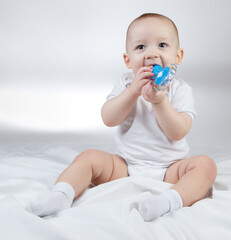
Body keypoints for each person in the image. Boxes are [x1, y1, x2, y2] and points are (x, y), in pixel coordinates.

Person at [26, 13, 217, 221]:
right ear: (127, 60)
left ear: (178, 56)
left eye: (162, 45)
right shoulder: (126, 83)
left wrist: (159, 102)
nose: (151, 54)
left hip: (170, 170)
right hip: (125, 166)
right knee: (88, 157)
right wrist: (132, 92)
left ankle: (168, 201)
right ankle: (61, 195)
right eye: (141, 47)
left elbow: (178, 131)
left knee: (205, 166)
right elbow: (108, 118)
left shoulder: (180, 89)